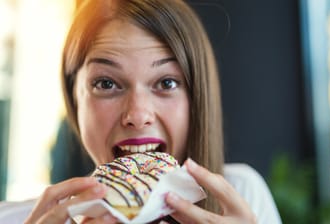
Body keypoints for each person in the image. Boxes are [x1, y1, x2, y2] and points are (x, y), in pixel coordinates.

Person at [2, 0, 281, 223]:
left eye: (166, 82)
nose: (137, 115)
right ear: (74, 98)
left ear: (197, 97)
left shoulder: (241, 198)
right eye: (106, 83)